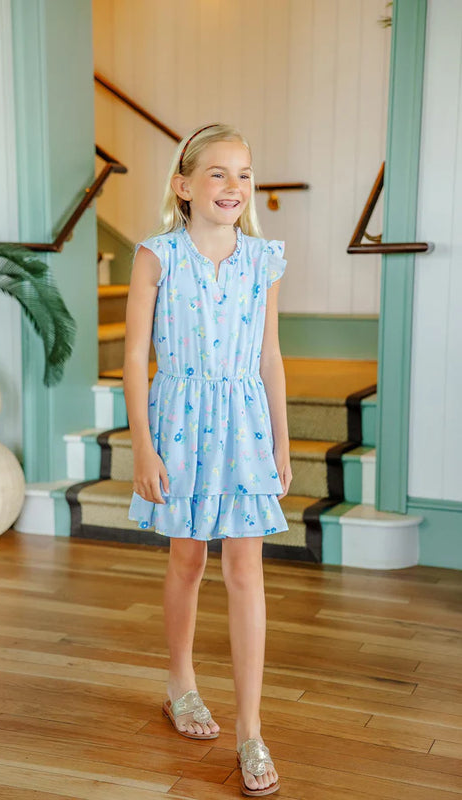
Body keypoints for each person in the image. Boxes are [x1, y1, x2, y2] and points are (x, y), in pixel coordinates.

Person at [123, 123, 292, 797]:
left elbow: (270, 355)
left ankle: (251, 728)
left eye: (244, 173)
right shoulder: (156, 256)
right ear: (184, 186)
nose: (234, 186)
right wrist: (141, 443)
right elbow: (135, 356)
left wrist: (279, 439)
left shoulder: (263, 259)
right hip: (181, 424)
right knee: (187, 557)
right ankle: (182, 686)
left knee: (245, 567)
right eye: (218, 173)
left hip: (243, 422)